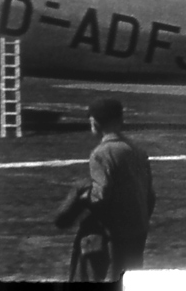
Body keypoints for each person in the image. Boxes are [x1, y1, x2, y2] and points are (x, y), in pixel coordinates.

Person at [55, 98, 156, 282]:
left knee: (112, 277)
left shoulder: (101, 153)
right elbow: (150, 196)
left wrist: (82, 197)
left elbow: (100, 196)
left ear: (94, 122)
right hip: (139, 229)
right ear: (121, 120)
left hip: (116, 233)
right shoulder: (138, 150)